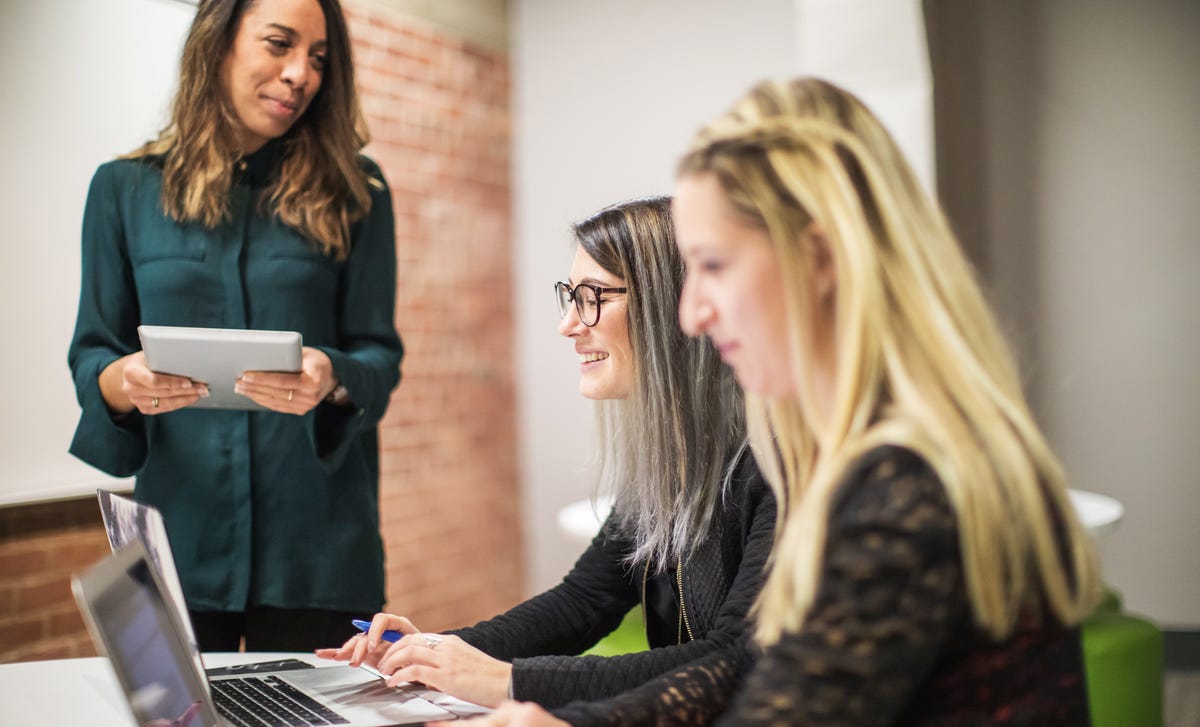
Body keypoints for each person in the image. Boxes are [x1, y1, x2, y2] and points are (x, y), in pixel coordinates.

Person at [457, 77, 1105, 727]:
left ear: (818, 258)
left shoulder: (904, 480)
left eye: (713, 265)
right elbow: (745, 668)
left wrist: (543, 703)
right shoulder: (866, 449)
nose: (690, 313)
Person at [317, 196, 776, 724]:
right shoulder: (672, 457)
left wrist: (507, 681)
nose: (569, 325)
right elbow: (583, 601)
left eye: (592, 297)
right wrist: (434, 652)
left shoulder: (773, 457)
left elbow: (735, 660)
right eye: (570, 297)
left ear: (673, 305)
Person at [67, 0, 402, 653]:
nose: (301, 74)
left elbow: (379, 356)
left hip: (321, 555)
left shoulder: (360, 190)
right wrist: (120, 379)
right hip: (177, 550)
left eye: (319, 58)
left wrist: (333, 375)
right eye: (279, 44)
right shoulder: (123, 189)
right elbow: (93, 351)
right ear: (218, 44)